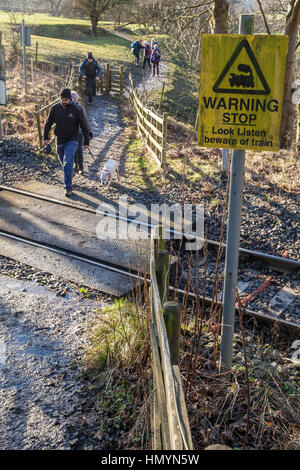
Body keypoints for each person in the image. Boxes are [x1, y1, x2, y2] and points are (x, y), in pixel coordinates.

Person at [43, 88, 90, 197]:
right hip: (60, 139)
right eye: (62, 99)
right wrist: (46, 138)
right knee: (63, 162)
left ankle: (68, 187)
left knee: (68, 161)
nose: (64, 101)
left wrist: (86, 141)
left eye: (66, 100)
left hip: (72, 139)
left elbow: (84, 125)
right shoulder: (55, 109)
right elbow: (48, 124)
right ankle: (70, 172)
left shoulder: (76, 109)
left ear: (70, 99)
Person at [71, 90, 92, 175]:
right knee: (73, 150)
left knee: (79, 149)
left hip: (79, 131)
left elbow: (85, 120)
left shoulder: (80, 107)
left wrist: (88, 130)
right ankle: (75, 165)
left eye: (72, 98)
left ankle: (81, 167)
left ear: (76, 99)